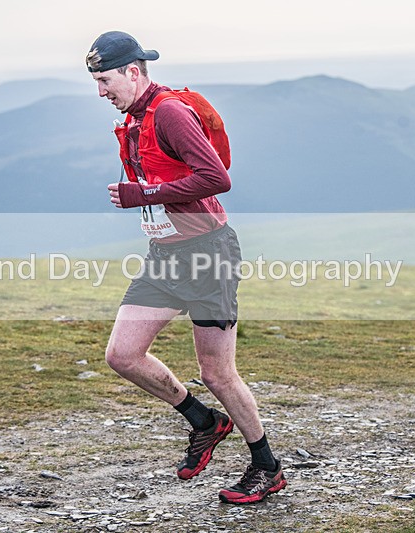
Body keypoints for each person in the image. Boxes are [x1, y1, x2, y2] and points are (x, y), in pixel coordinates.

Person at [86, 30, 286, 504]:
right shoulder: (135, 118)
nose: (100, 92)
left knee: (218, 373)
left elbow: (217, 178)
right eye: (95, 82)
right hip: (165, 257)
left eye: (105, 80)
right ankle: (203, 421)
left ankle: (267, 467)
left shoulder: (170, 113)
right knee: (122, 355)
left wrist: (145, 195)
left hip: (208, 254)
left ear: (133, 72)